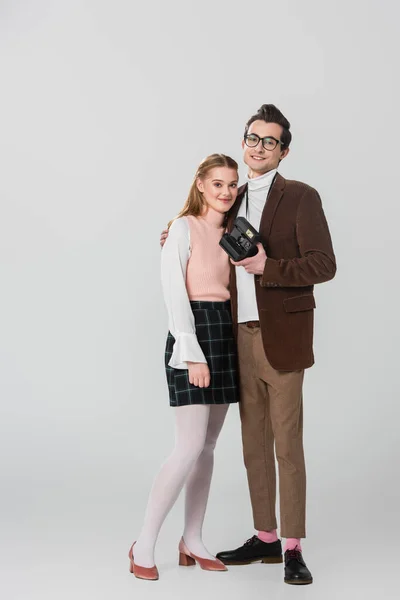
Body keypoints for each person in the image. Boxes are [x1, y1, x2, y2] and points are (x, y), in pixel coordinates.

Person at [161, 104, 336, 585]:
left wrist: (269, 269)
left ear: (284, 151)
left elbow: (324, 264)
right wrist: (175, 235)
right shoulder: (229, 199)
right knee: (252, 446)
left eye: (270, 141)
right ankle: (265, 537)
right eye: (252, 138)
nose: (259, 147)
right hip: (235, 337)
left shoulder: (301, 196)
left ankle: (294, 546)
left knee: (287, 446)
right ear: (244, 141)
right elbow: (200, 234)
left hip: (282, 339)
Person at [129, 154, 240, 581]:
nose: (226, 192)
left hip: (225, 333)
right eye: (217, 184)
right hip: (192, 333)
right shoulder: (180, 228)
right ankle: (143, 542)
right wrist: (192, 353)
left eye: (231, 185)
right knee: (188, 445)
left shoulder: (233, 231)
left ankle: (192, 539)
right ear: (199, 184)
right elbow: (175, 292)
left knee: (208, 446)